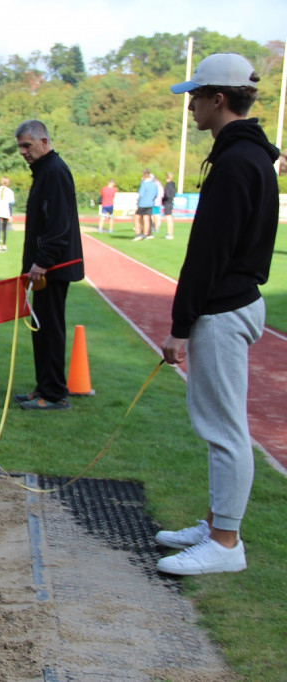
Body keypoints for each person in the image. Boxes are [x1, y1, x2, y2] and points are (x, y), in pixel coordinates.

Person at [156, 53, 279, 576]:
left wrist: (180, 328)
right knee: (218, 426)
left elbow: (207, 254)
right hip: (234, 303)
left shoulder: (236, 163)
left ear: (218, 98)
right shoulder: (248, 155)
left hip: (223, 310)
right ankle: (215, 523)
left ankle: (226, 543)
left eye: (196, 96)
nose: (191, 106)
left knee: (225, 428)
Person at [13, 120, 84, 410]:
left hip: (52, 268)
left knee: (50, 329)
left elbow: (58, 223)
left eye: (27, 145)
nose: (23, 152)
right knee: (41, 328)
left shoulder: (54, 171)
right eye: (19, 147)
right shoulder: (45, 172)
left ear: (44, 142)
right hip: (44, 267)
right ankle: (44, 387)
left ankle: (54, 394)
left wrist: (42, 263)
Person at [132, 169, 157, 241]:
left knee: (136, 218)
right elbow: (156, 194)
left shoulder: (144, 184)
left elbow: (141, 194)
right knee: (147, 218)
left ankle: (138, 234)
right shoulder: (154, 184)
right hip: (150, 203)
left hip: (142, 203)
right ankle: (146, 234)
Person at [162, 172, 176, 239]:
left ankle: (169, 233)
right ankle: (170, 233)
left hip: (167, 202)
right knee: (169, 217)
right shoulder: (173, 185)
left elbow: (167, 195)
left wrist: (163, 198)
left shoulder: (168, 185)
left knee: (168, 218)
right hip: (170, 202)